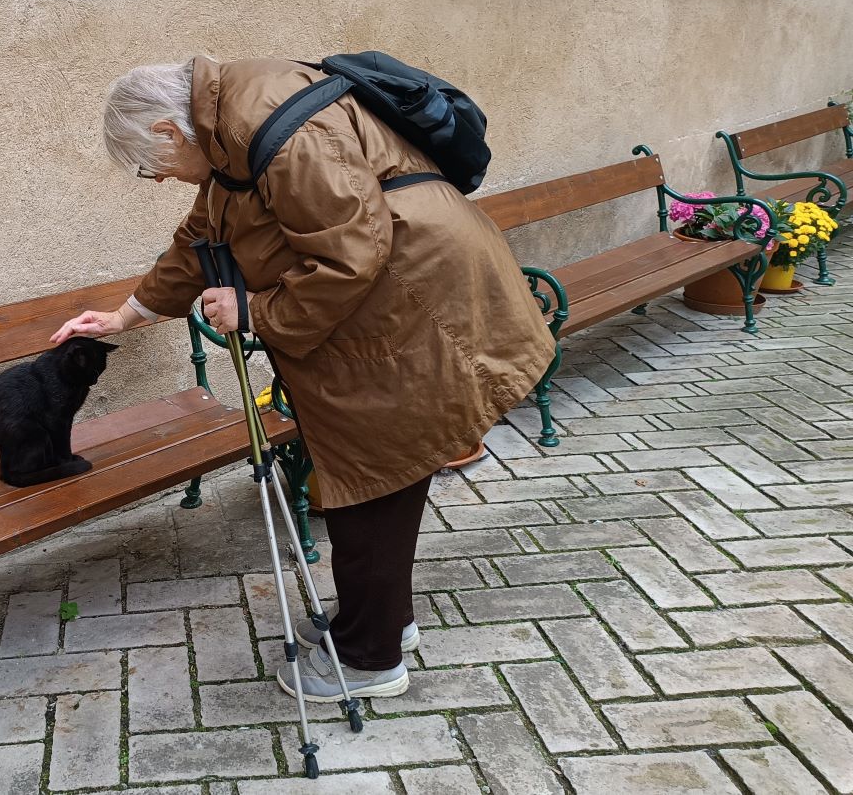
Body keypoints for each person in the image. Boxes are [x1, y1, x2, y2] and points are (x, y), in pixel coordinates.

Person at [51, 56, 556, 701]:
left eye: (152, 167)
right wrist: (128, 314)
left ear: (167, 131)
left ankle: (370, 658)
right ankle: (384, 622)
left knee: (373, 478)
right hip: (388, 301)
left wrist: (254, 311)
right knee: (379, 473)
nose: (159, 180)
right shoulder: (230, 132)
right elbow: (203, 236)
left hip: (414, 298)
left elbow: (352, 252)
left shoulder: (275, 131)